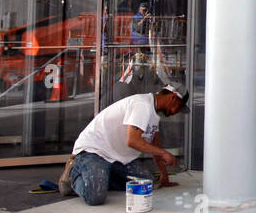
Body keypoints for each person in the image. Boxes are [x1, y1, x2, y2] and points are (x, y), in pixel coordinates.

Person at [58, 83, 187, 204]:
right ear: (173, 98)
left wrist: (164, 177)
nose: (177, 111)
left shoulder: (154, 115)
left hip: (118, 159)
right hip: (95, 151)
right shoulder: (142, 105)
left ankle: (100, 177)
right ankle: (72, 173)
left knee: (146, 182)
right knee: (95, 197)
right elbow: (133, 141)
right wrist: (165, 153)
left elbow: (156, 147)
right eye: (179, 107)